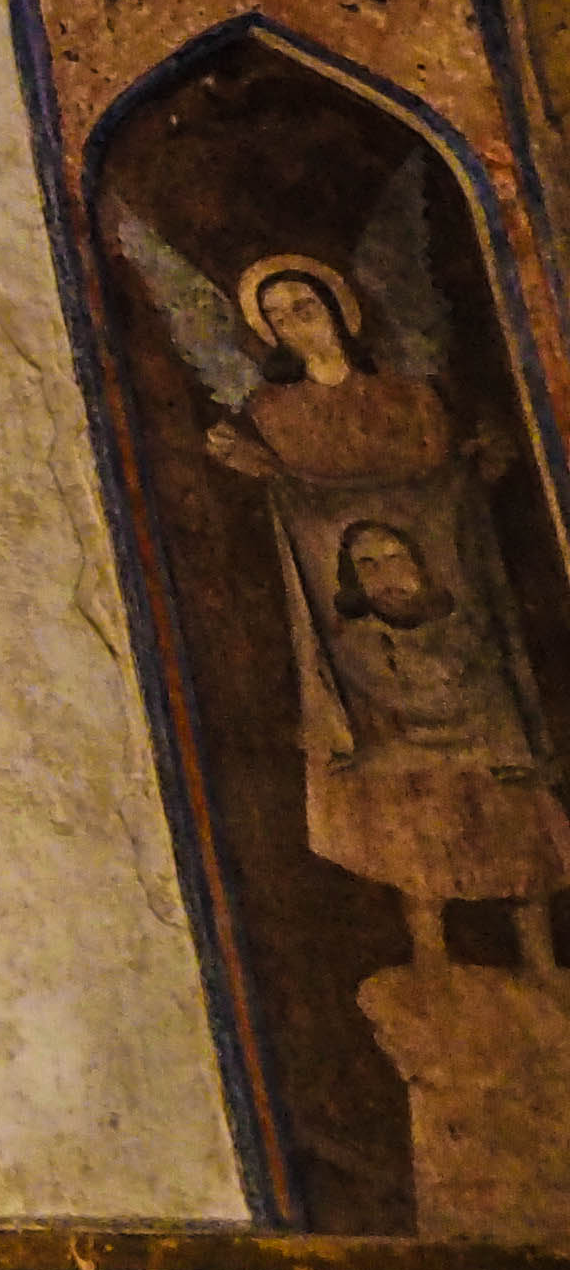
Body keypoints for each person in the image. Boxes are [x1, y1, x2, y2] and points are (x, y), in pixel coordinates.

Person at [201, 255, 570, 965]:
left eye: (304, 306)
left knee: (497, 776)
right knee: (396, 781)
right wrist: (264, 469)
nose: (294, 324)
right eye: (277, 318)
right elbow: (304, 500)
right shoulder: (275, 415)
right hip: (356, 636)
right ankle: (430, 957)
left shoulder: (410, 399)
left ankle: (542, 958)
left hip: (450, 620)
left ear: (340, 311)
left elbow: (444, 490)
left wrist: (473, 467)